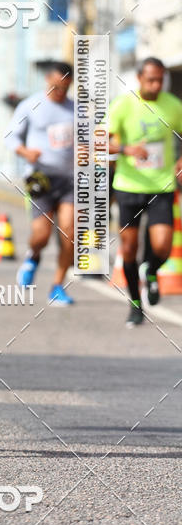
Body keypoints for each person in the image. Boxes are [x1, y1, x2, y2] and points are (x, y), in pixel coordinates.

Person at [109, 57, 182, 327]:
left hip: (161, 186)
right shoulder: (123, 105)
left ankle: (150, 270)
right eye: (151, 79)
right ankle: (135, 305)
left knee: (163, 244)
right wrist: (127, 149)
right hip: (128, 187)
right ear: (140, 78)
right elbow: (99, 139)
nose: (156, 84)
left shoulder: (173, 106)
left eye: (160, 80)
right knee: (129, 248)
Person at [6, 62, 75, 306]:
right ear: (48, 79)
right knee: (41, 235)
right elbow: (11, 138)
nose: (60, 92)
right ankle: (33, 256)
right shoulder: (31, 105)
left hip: (70, 180)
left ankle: (57, 286)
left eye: (65, 88)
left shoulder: (75, 109)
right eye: (56, 86)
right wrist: (25, 153)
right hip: (40, 179)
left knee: (69, 233)